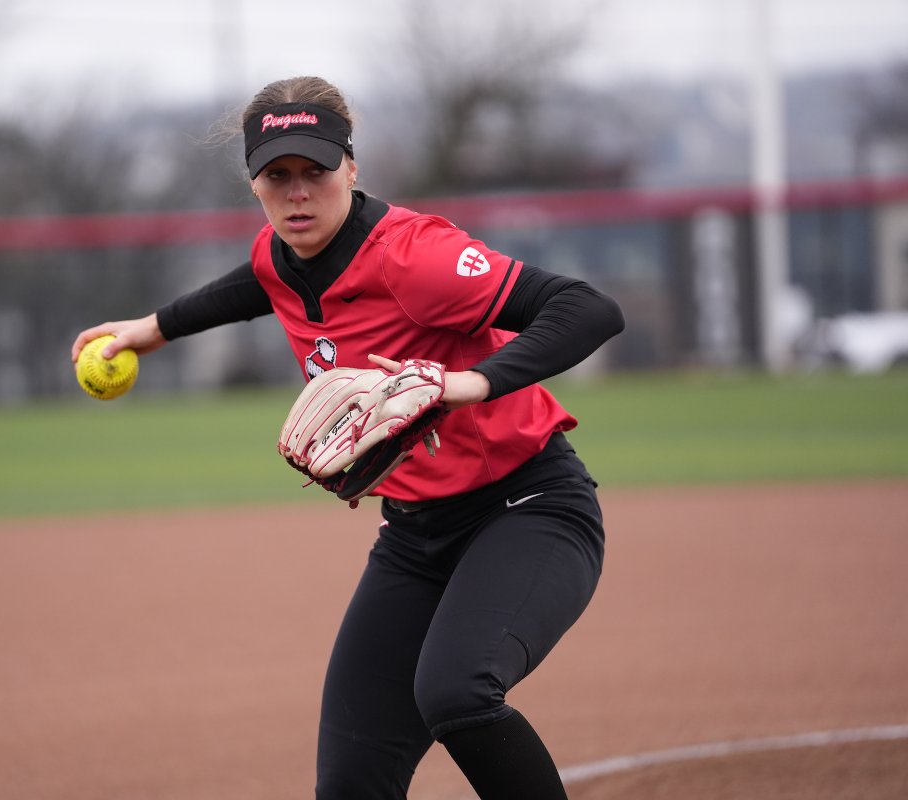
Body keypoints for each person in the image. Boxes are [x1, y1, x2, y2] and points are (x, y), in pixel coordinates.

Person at [71, 75, 625, 800]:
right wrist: (150, 330)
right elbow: (255, 282)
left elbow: (587, 308)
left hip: (529, 507)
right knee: (352, 781)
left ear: (352, 170)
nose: (297, 193)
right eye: (277, 176)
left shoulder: (413, 256)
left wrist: (467, 382)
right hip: (416, 537)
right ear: (255, 184)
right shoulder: (281, 253)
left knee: (456, 695)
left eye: (316, 172)